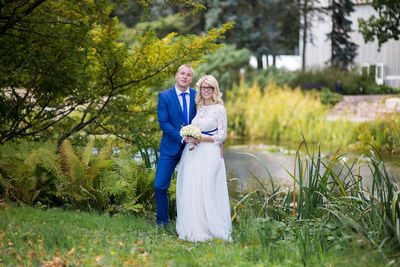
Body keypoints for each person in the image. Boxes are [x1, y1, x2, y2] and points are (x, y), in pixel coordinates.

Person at [176, 74, 232, 242]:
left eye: (209, 88)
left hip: (210, 153)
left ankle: (211, 228)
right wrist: (190, 138)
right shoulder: (199, 107)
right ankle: (195, 227)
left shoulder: (220, 109)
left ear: (215, 90)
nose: (206, 90)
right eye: (203, 87)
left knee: (208, 188)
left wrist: (200, 138)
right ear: (199, 89)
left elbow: (222, 136)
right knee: (194, 188)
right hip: (194, 153)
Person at [154, 64, 197, 226]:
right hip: (170, 147)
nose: (184, 77)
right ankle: (162, 222)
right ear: (176, 75)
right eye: (182, 73)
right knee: (159, 185)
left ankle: (190, 222)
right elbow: (164, 123)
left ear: (191, 79)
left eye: (188, 75)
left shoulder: (197, 96)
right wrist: (182, 137)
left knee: (193, 187)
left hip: (193, 148)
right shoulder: (164, 96)